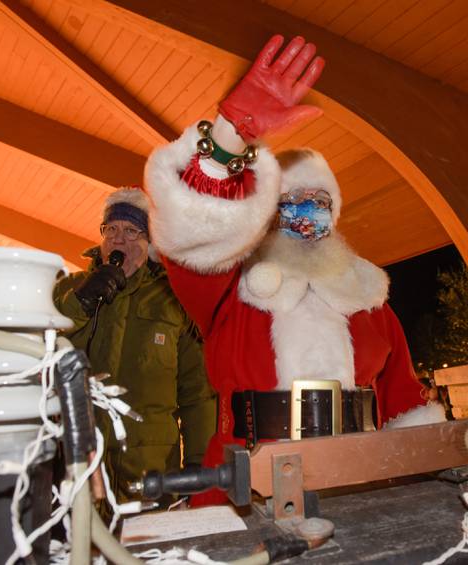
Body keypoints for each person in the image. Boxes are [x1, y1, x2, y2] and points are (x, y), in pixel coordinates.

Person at [144, 35, 444, 505]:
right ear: (265, 216)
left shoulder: (367, 298)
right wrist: (228, 138)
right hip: (245, 488)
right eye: (290, 204)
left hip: (357, 487)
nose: (306, 214)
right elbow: (197, 236)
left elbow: (403, 398)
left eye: (318, 203)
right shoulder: (230, 289)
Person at [53, 187, 215, 503]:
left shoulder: (173, 298)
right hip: (77, 462)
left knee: (148, 551)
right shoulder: (71, 288)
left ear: (149, 243)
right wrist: (82, 301)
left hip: (149, 471)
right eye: (110, 229)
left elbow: (198, 394)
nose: (118, 239)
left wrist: (199, 465)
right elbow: (39, 344)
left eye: (131, 230)